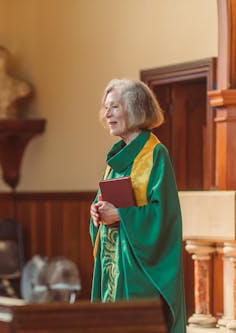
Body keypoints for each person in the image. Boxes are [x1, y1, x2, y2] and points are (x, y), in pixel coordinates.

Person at [89, 79, 186, 333]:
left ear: (134, 109)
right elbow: (103, 204)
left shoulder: (155, 154)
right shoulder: (115, 159)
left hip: (140, 271)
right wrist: (96, 213)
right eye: (105, 107)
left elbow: (164, 218)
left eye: (114, 107)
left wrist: (121, 216)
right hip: (113, 266)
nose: (107, 113)